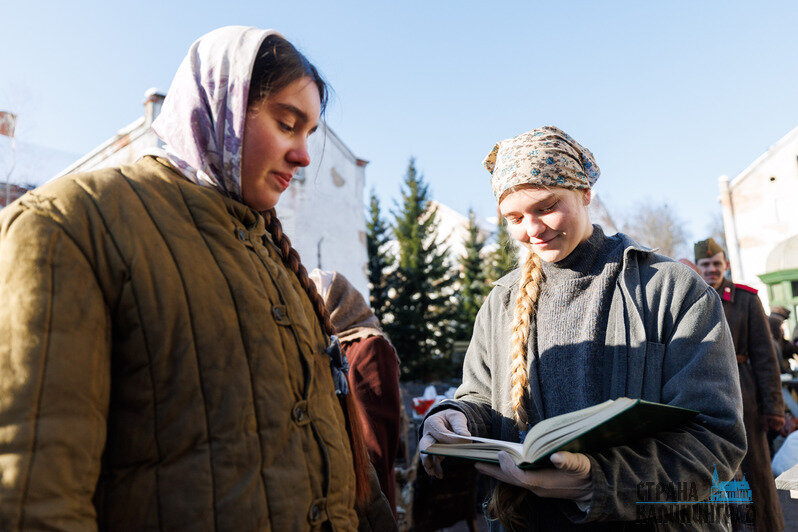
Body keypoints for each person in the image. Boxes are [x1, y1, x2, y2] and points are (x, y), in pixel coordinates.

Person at [0, 26, 394, 530]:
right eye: (286, 124)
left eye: (309, 134)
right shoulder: (76, 223)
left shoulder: (280, 264)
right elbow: (33, 492)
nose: (303, 156)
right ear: (221, 107)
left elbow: (343, 467)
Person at [418, 126, 746, 530]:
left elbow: (717, 442)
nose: (532, 230)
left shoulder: (670, 290)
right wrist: (455, 416)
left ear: (586, 193)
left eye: (546, 207)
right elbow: (481, 397)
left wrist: (598, 484)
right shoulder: (500, 303)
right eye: (515, 218)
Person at [695, 237, 785, 531]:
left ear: (726, 264)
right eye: (706, 264)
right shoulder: (692, 296)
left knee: (756, 471)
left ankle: (766, 526)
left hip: (745, 394)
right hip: (707, 396)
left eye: (716, 263)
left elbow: (766, 358)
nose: (712, 269)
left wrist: (774, 408)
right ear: (697, 267)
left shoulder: (746, 299)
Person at [309, 269, 402, 516]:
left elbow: (376, 443)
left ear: (337, 303)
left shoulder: (370, 348)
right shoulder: (331, 346)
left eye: (314, 300)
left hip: (364, 496)